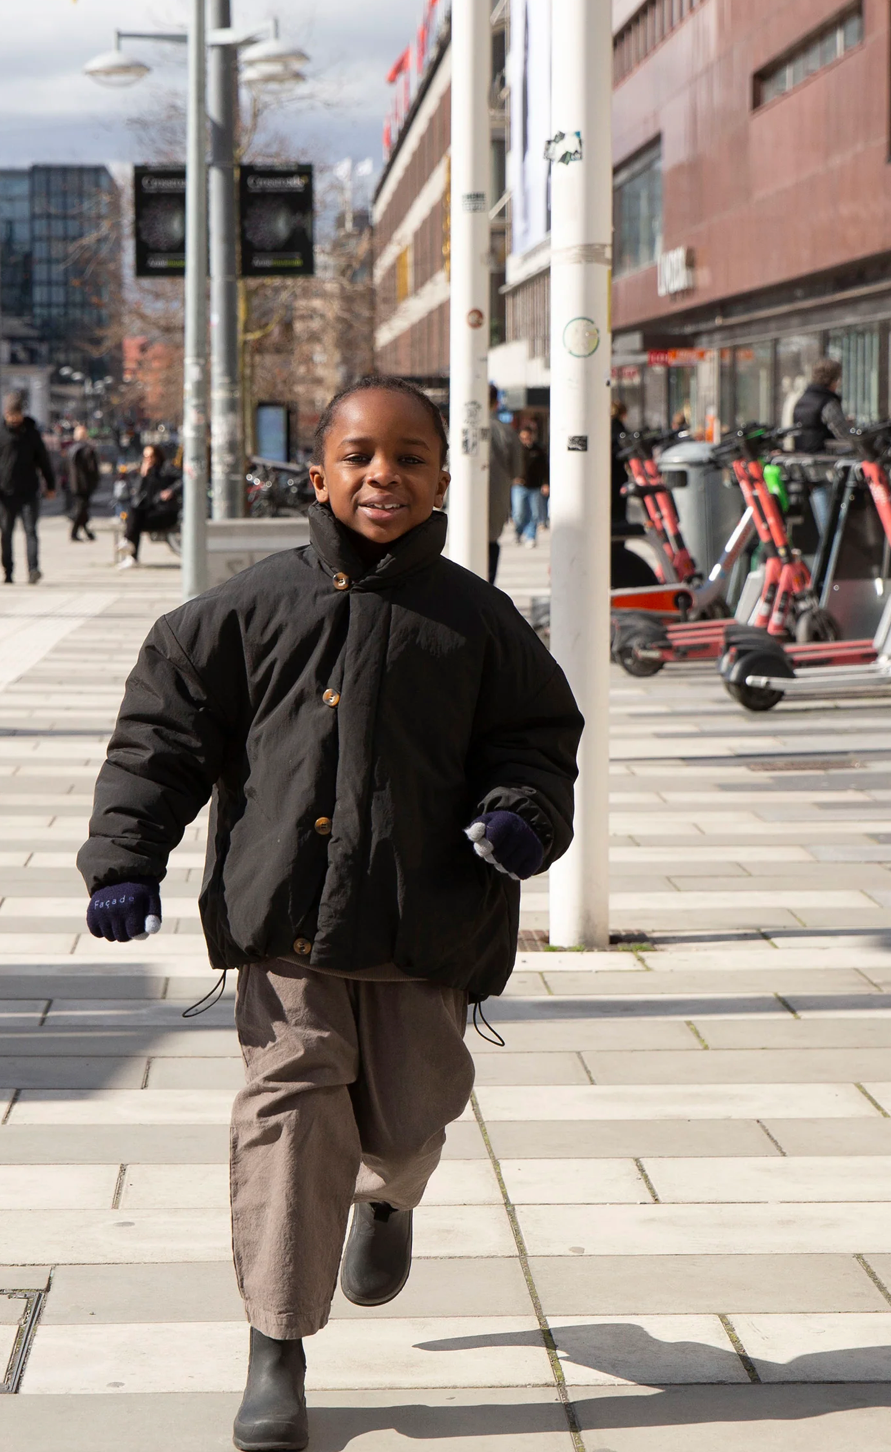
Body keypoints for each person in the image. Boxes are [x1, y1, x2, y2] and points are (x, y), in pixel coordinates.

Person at [77, 372, 582, 1452]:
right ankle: (275, 1342)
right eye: (359, 456)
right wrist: (125, 856)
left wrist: (522, 815)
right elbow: (160, 734)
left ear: (443, 477)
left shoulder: (477, 622)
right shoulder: (245, 608)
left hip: (426, 921)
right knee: (291, 1110)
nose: (381, 476)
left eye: (406, 457)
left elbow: (535, 743)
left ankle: (388, 1199)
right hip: (286, 920)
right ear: (319, 473)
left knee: (411, 1115)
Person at [0, 392, 56, 585]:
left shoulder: (32, 433)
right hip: (5, 494)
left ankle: (33, 569)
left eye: (17, 414)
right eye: (10, 414)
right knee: (5, 533)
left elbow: (44, 461)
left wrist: (50, 485)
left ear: (22, 413)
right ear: (5, 413)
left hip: (29, 491)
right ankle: (8, 570)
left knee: (31, 532)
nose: (14, 418)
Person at [793, 358, 851, 535]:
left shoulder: (802, 400)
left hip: (807, 469)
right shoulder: (826, 402)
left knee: (825, 526)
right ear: (834, 380)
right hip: (827, 468)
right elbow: (845, 435)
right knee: (835, 529)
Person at [116, 444, 180, 568]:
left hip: (166, 512)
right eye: (145, 456)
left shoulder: (166, 467)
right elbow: (138, 494)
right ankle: (129, 548)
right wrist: (143, 476)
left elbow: (182, 479)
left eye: (151, 456)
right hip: (152, 511)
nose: (148, 459)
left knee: (134, 521)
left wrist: (171, 491)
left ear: (157, 456)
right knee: (134, 514)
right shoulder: (146, 471)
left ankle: (128, 546)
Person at [487, 383, 514, 585]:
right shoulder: (506, 432)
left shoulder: (457, 431)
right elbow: (517, 469)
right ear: (497, 403)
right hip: (496, 502)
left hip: (462, 509)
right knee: (491, 544)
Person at [511, 420, 549, 547]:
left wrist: (545, 483)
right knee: (519, 513)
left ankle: (531, 536)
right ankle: (518, 531)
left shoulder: (539, 450)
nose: (526, 440)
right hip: (519, 486)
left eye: (528, 437)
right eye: (523, 437)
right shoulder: (516, 449)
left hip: (535, 486)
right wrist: (513, 478)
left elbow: (545, 468)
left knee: (534, 513)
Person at [66, 424, 100, 542]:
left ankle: (87, 532)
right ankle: (74, 532)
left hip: (74, 483)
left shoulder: (71, 449)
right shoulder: (87, 449)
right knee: (81, 508)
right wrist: (95, 480)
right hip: (84, 484)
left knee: (82, 508)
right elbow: (92, 468)